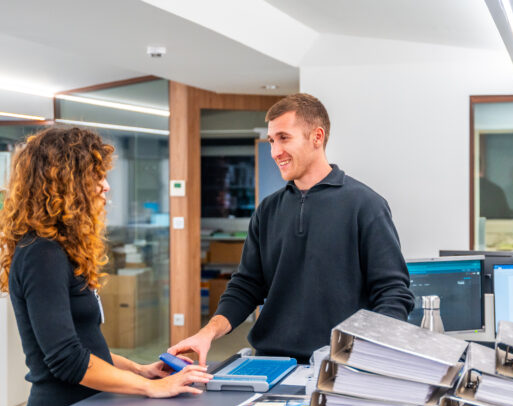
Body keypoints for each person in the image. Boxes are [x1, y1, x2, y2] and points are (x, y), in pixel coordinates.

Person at [0, 127, 212, 406]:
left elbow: (87, 345)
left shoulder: (58, 250)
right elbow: (65, 359)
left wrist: (140, 370)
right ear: (66, 181)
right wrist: (153, 389)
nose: (106, 187)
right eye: (97, 176)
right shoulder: (41, 253)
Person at [169, 93, 414, 366]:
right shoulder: (268, 210)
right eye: (272, 140)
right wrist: (207, 333)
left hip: (342, 367)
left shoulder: (366, 205)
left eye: (284, 138)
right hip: (271, 363)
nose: (275, 152)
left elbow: (393, 293)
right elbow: (246, 286)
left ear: (317, 137)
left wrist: (370, 356)